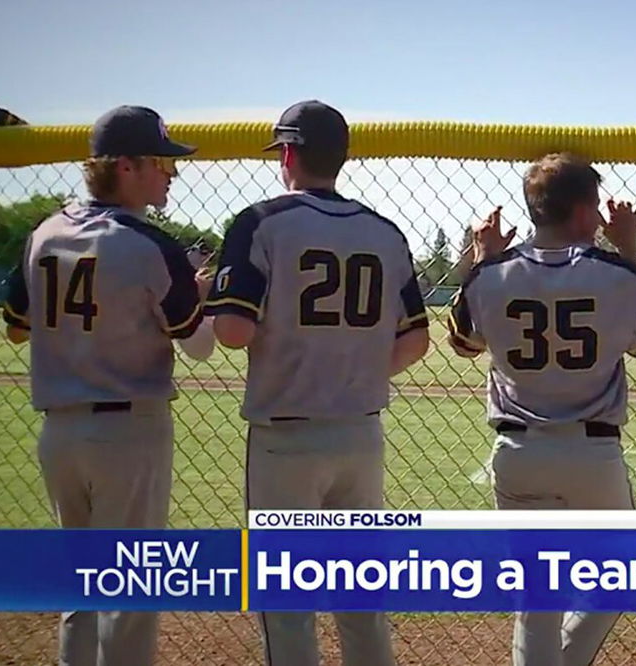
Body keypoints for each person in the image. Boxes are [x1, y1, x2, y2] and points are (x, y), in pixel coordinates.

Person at [204, 100, 430, 666]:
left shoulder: (261, 221)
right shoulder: (384, 231)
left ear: (287, 155)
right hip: (359, 433)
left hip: (285, 436)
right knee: (361, 593)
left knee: (286, 601)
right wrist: (349, 366)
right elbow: (416, 339)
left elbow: (231, 330)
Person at [1, 104, 214, 666]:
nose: (171, 172)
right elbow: (199, 345)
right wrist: (199, 294)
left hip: (59, 432)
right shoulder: (151, 244)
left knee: (81, 589)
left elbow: (15, 330)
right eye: (161, 162)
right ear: (126, 166)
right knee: (132, 589)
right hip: (128, 432)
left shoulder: (43, 232)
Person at [446, 152, 636, 666]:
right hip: (593, 453)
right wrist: (629, 249)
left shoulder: (491, 275)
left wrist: (483, 257)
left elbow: (462, 341)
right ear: (587, 214)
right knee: (623, 572)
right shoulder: (614, 274)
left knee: (536, 602)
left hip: (517, 447)